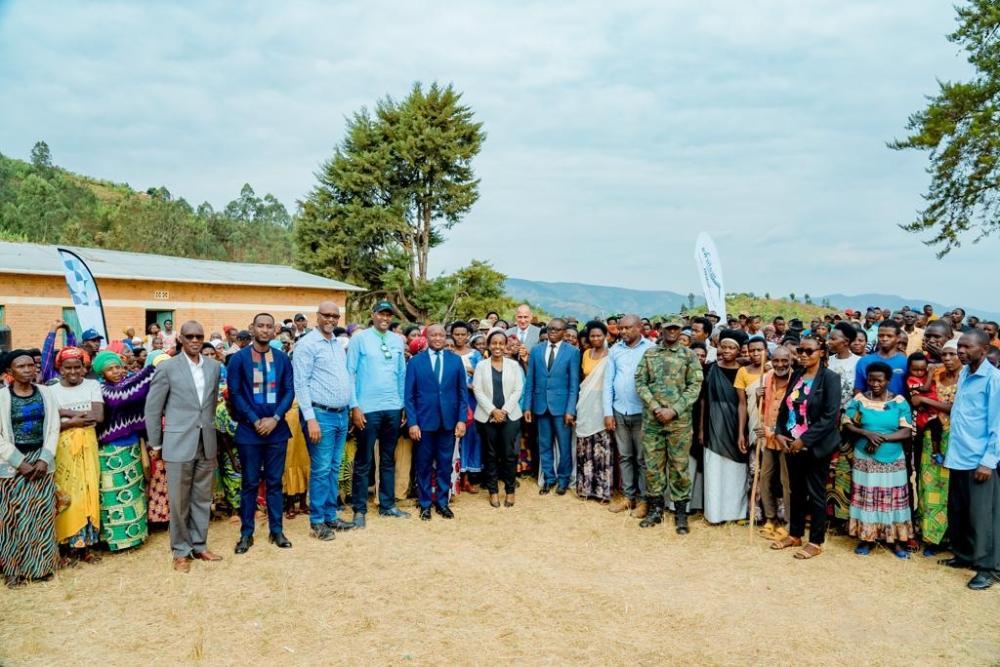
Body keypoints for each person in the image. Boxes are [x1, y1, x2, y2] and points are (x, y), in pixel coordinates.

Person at [145, 321, 223, 573]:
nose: (195, 340)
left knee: (202, 498)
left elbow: (210, 405)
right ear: (180, 338)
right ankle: (180, 551)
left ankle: (199, 545)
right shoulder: (167, 367)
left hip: (206, 441)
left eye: (199, 336)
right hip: (177, 442)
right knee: (179, 501)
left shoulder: (213, 367)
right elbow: (153, 409)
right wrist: (156, 443)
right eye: (189, 336)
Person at [227, 314, 295, 554]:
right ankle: (246, 534)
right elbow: (235, 393)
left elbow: (289, 391)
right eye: (260, 326)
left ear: (274, 330)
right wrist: (255, 420)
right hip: (250, 430)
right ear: (252, 328)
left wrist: (275, 418)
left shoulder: (282, 358)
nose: (265, 330)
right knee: (250, 483)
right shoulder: (238, 359)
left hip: (277, 430)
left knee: (275, 482)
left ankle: (277, 530)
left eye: (269, 326)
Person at [771, 335, 842, 559]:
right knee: (797, 491)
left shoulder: (830, 379)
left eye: (809, 351)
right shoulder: (797, 375)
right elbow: (786, 407)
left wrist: (804, 440)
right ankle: (795, 534)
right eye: (800, 350)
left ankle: (816, 541)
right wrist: (780, 433)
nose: (803, 354)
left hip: (815, 446)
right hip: (791, 444)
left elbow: (829, 416)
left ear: (821, 352)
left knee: (816, 493)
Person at [941, 328, 1000, 590]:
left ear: (984, 350)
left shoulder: (994, 380)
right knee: (959, 511)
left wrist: (988, 461)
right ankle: (964, 555)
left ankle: (988, 568)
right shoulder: (965, 373)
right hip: (959, 455)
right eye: (959, 346)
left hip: (979, 460)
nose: (961, 351)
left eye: (967, 347)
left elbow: (998, 424)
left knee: (982, 517)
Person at [292, 301, 354, 540]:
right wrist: (310, 419)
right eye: (326, 315)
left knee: (334, 467)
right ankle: (317, 521)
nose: (330, 319)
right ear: (317, 316)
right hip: (320, 415)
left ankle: (330, 516)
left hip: (341, 414)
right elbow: (301, 384)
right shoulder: (307, 344)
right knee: (320, 469)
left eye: (334, 316)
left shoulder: (337, 343)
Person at [635, 320, 704, 533]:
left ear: (680, 331)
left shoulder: (689, 356)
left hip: (679, 422)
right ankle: (655, 510)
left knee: (679, 467)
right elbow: (640, 382)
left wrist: (674, 410)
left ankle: (681, 514)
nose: (672, 332)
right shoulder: (650, 354)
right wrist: (655, 407)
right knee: (653, 468)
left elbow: (695, 385)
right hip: (653, 421)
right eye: (669, 329)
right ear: (662, 331)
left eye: (676, 329)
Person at [0, 350, 60, 587]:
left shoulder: (46, 393)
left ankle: (40, 568)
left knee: (41, 515)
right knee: (12, 517)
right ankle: (13, 571)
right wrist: (19, 462)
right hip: (12, 464)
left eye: (30, 365)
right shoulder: (2, 397)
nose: (27, 370)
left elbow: (54, 426)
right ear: (9, 372)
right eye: (21, 366)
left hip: (41, 461)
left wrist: (44, 458)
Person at [843, 362, 915, 559]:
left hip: (893, 458)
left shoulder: (899, 401)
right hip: (865, 457)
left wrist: (880, 438)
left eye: (879, 380)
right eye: (871, 380)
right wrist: (866, 433)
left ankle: (895, 540)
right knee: (867, 497)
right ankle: (867, 538)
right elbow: (847, 423)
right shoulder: (859, 400)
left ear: (888, 381)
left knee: (892, 499)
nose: (875, 384)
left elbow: (906, 431)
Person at [347, 300, 408, 526]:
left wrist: (402, 405)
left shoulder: (397, 340)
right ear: (372, 315)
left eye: (388, 315)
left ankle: (387, 505)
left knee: (388, 459)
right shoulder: (360, 339)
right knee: (364, 460)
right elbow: (350, 373)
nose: (385, 318)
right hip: (367, 408)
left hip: (392, 407)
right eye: (381, 314)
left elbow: (401, 374)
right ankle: (359, 509)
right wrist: (354, 406)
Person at [93, 350, 155, 552]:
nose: (116, 371)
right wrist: (151, 368)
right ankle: (118, 539)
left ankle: (136, 536)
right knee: (113, 494)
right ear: (101, 373)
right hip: (110, 449)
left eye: (118, 367)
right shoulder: (102, 389)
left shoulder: (129, 382)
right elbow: (120, 398)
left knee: (135, 492)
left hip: (133, 445)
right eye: (110, 369)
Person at [404, 324, 468, 520]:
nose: (438, 338)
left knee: (444, 464)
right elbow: (409, 396)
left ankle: (442, 503)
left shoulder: (455, 361)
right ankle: (425, 504)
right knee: (423, 465)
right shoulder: (416, 362)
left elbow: (462, 394)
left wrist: (461, 420)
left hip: (448, 422)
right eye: (434, 335)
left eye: (441, 335)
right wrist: (412, 423)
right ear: (427, 337)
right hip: (423, 423)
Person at [50, 347, 103, 564]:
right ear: (60, 369)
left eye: (77, 367)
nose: (73, 372)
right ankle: (68, 546)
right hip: (63, 448)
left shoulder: (92, 385)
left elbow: (98, 416)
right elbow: (51, 423)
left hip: (88, 445)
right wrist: (76, 419)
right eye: (68, 368)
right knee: (69, 495)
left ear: (84, 368)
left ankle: (86, 546)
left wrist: (65, 415)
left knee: (89, 491)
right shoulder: (51, 390)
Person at [603, 315, 654, 516]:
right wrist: (608, 412)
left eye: (627, 328)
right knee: (625, 456)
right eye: (621, 328)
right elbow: (608, 382)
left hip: (642, 412)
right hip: (619, 410)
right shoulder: (615, 350)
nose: (623, 331)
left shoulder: (651, 349)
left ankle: (643, 500)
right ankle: (628, 497)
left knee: (642, 458)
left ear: (639, 327)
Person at [524, 318, 581, 495]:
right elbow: (530, 381)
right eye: (550, 329)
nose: (552, 332)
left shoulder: (572, 352)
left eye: (557, 329)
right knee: (544, 444)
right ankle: (549, 478)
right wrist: (527, 407)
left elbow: (574, 384)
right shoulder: (536, 350)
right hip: (540, 406)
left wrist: (570, 410)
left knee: (564, 446)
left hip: (562, 409)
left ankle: (563, 480)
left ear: (564, 332)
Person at [914, 341, 961, 552]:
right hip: (931, 439)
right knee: (928, 485)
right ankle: (931, 536)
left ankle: (949, 536)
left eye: (952, 354)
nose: (948, 358)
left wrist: (925, 400)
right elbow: (916, 398)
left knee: (950, 488)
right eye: (945, 354)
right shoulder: (935, 375)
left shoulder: (966, 379)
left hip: (955, 439)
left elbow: (955, 408)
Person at [699, 329, 748, 524]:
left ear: (738, 351)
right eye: (723, 347)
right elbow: (703, 400)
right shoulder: (710, 369)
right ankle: (715, 514)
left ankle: (736, 512)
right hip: (713, 424)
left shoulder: (744, 371)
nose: (726, 351)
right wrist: (701, 429)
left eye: (731, 348)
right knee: (715, 469)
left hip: (737, 423)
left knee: (736, 470)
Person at [472, 330, 524, 508]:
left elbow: (518, 389)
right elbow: (477, 390)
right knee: (490, 455)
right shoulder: (481, 366)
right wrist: (493, 411)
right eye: (494, 343)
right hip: (487, 417)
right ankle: (493, 491)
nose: (497, 346)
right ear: (489, 345)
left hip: (511, 415)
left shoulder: (514, 365)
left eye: (501, 343)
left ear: (506, 345)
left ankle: (510, 491)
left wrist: (504, 411)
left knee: (509, 455)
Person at [748, 346, 793, 540]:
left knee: (786, 482)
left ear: (790, 361)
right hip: (767, 439)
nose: (780, 364)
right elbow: (762, 408)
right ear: (771, 361)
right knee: (765, 477)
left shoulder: (796, 381)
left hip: (786, 440)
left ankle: (789, 523)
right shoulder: (766, 378)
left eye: (784, 361)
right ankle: (770, 518)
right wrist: (757, 397)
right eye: (776, 361)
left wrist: (773, 431)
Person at [575, 321, 612, 502]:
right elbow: (584, 379)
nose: (596, 338)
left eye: (599, 335)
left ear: (606, 336)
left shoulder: (611, 355)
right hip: (586, 403)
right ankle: (585, 488)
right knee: (585, 445)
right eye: (592, 336)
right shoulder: (586, 354)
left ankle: (602, 491)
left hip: (603, 403)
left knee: (602, 446)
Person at [451, 321, 482, 494]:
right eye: (457, 334)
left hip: (472, 400)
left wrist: (473, 373)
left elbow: (483, 376)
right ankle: (454, 478)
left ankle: (467, 477)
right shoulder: (448, 353)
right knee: (454, 437)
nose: (460, 337)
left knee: (471, 437)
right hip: (453, 400)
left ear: (468, 335)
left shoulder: (476, 354)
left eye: (463, 334)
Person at [854, 320, 907, 395]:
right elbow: (858, 390)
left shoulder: (905, 362)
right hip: (870, 402)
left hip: (899, 402)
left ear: (898, 338)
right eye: (881, 335)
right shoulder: (864, 361)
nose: (884, 339)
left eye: (889, 336)